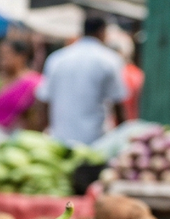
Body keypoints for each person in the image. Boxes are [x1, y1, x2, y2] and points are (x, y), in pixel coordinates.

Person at [33, 15, 129, 145]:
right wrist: (123, 138)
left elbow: (44, 100)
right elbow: (118, 104)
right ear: (103, 32)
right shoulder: (109, 60)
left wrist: (40, 134)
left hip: (59, 141)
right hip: (95, 141)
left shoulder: (57, 58)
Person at [0, 39, 41, 131]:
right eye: (0, 55)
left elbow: (36, 113)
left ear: (22, 56)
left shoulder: (34, 82)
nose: (2, 59)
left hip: (22, 134)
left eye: (7, 54)